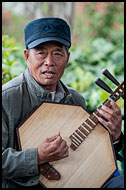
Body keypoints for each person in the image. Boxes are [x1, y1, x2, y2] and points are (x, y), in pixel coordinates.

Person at [2, 17, 124, 188]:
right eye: (41, 53)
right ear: (27, 56)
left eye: (58, 53)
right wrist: (37, 156)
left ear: (67, 58)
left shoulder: (75, 100)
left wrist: (115, 136)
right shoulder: (6, 98)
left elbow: (88, 153)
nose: (49, 62)